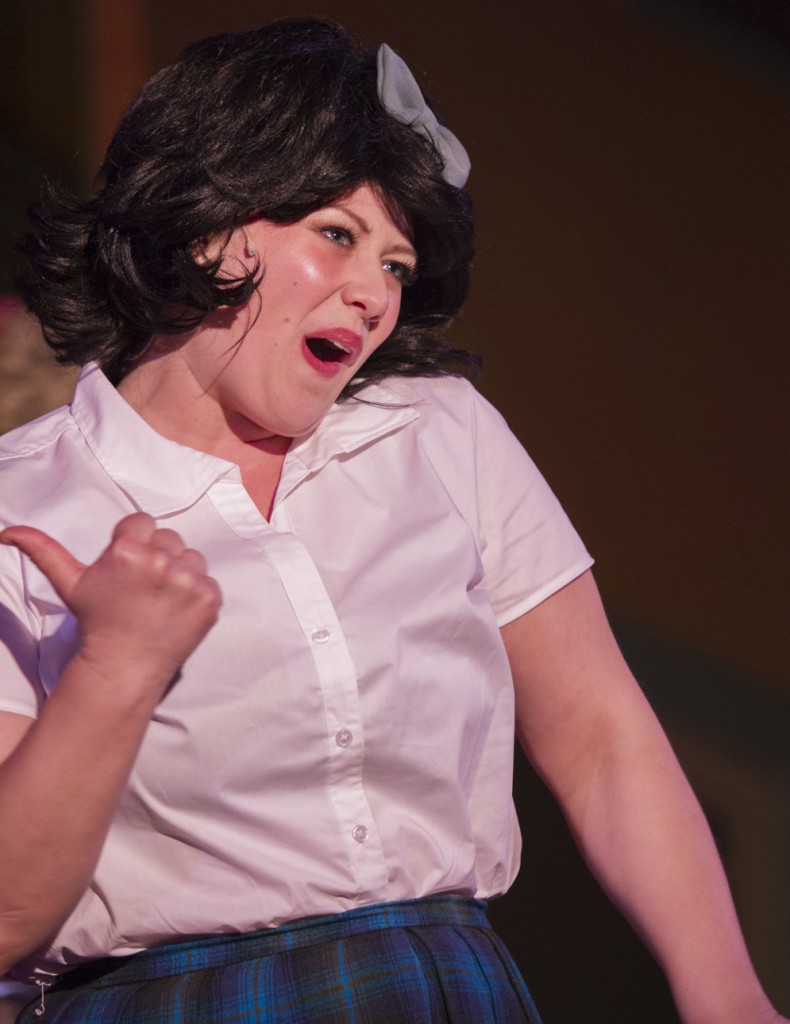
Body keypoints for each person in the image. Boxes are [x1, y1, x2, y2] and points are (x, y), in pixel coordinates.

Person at [0, 17, 784, 1024]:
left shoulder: (438, 433)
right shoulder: (27, 499)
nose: (373, 294)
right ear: (208, 222)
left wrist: (726, 993)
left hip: (439, 985)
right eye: (338, 236)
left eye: (398, 266)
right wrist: (118, 662)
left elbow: (598, 733)